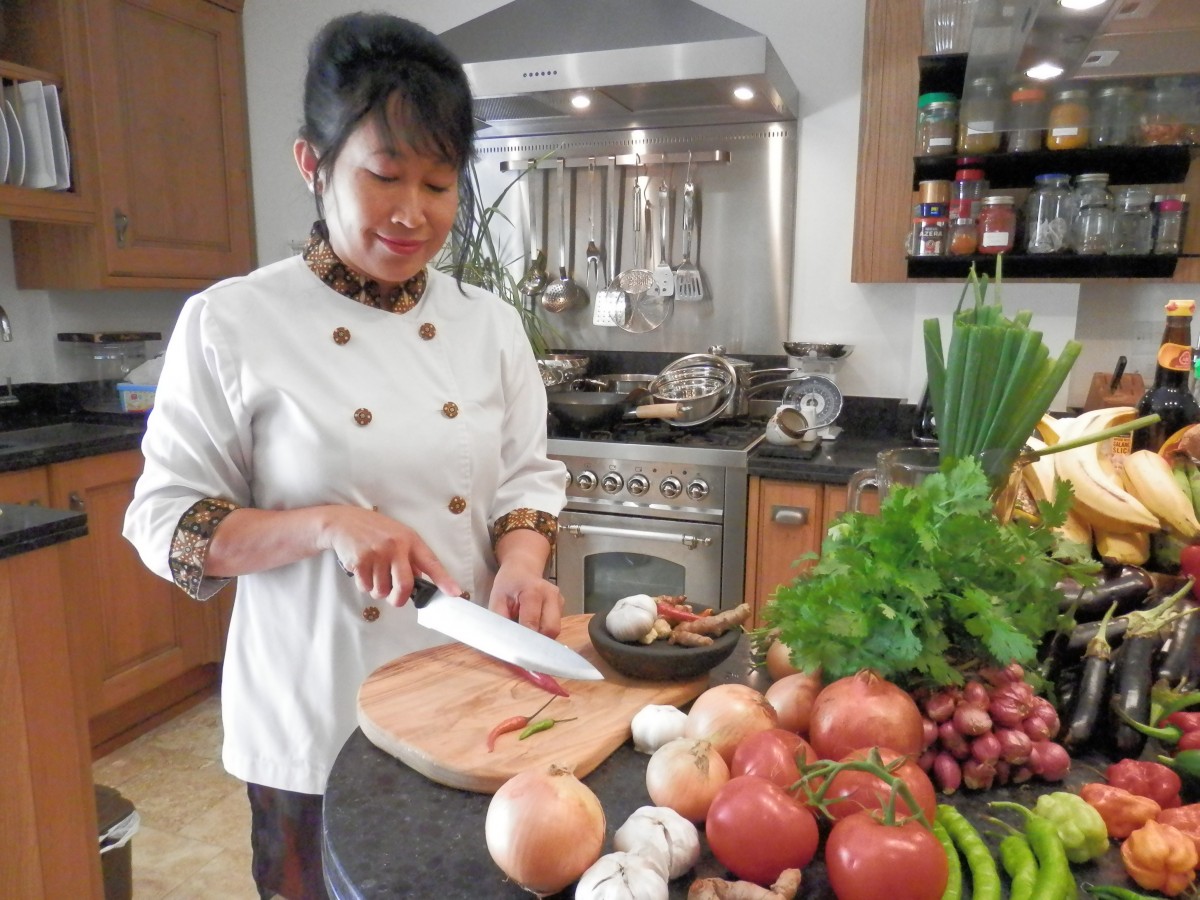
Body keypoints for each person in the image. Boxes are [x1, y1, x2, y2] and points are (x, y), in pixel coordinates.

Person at [123, 13, 567, 899]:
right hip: (315, 711)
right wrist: (326, 524)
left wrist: (522, 559)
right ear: (312, 164)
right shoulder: (232, 321)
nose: (414, 213)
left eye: (440, 184)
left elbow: (526, 474)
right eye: (384, 175)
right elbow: (166, 524)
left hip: (466, 693)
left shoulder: (490, 324)